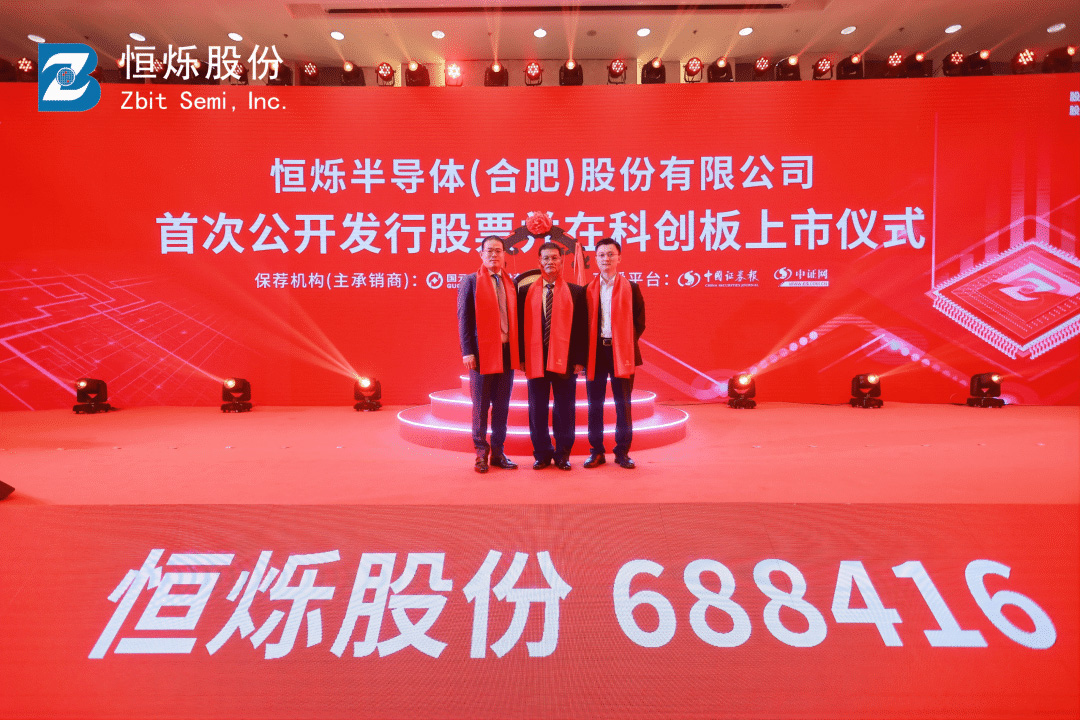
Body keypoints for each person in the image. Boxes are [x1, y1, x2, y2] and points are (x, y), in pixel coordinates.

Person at [517, 242, 588, 470]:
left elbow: (581, 329)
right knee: (537, 408)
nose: (550, 262)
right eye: (546, 258)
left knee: (565, 408)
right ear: (539, 261)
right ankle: (541, 454)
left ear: (561, 260)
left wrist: (580, 360)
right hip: (535, 358)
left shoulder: (576, 292)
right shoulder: (526, 292)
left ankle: (563, 453)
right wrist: (522, 358)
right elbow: (520, 327)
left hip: (566, 359)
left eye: (554, 258)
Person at [458, 236, 520, 473]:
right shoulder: (471, 281)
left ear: (504, 254)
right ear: (481, 254)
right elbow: (464, 319)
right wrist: (467, 351)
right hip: (481, 353)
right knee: (481, 406)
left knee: (502, 406)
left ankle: (498, 452)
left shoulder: (509, 282)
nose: (494, 255)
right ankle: (481, 454)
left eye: (498, 251)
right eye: (489, 251)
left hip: (506, 352)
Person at [584, 238, 645, 469]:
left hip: (622, 352)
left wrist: (624, 343)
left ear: (619, 258)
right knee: (595, 404)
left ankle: (622, 452)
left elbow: (640, 321)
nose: (606, 259)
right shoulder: (587, 290)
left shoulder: (632, 288)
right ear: (596, 259)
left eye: (611, 254)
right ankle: (596, 451)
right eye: (601, 255)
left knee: (623, 404)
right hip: (596, 352)